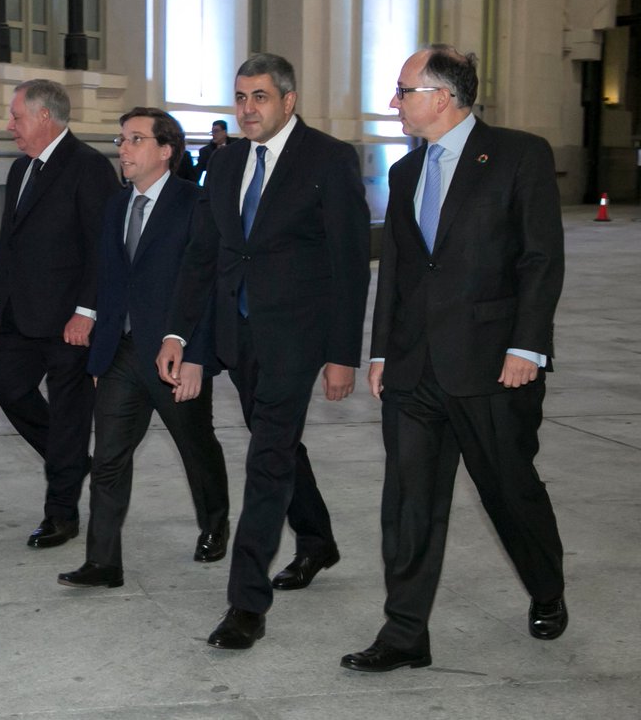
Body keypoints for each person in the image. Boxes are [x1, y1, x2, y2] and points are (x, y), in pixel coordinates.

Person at [341, 47, 567, 673]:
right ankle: (404, 633)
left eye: (402, 90)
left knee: (509, 492)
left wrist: (526, 346)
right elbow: (397, 271)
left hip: (493, 365)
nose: (394, 102)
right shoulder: (406, 172)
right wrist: (381, 351)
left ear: (441, 97)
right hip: (414, 370)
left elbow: (541, 258)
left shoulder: (519, 155)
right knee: (408, 503)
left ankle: (546, 587)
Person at [157, 53, 370, 650]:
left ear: (288, 100)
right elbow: (204, 256)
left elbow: (350, 263)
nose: (247, 109)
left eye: (260, 97)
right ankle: (318, 541)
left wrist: (342, 354)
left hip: (297, 338)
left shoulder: (328, 159)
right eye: (241, 97)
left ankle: (246, 604)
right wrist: (179, 334)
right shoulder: (224, 163)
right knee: (276, 442)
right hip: (237, 332)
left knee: (266, 458)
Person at [58, 107, 229, 589]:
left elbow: (207, 285)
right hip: (120, 352)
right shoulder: (116, 205)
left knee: (195, 446)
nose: (123, 149)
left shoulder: (195, 202)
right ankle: (103, 562)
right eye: (121, 139)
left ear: (166, 150)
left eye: (135, 139)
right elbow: (109, 278)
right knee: (109, 457)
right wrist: (99, 352)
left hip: (174, 356)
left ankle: (215, 523)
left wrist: (197, 357)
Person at [0, 79, 118, 548]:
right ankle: (71, 462)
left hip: (68, 321)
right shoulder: (20, 169)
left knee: (69, 415)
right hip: (19, 313)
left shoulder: (89, 167)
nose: (10, 125)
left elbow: (104, 248)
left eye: (16, 116)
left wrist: (87, 311)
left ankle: (61, 513)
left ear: (44, 116)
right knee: (7, 388)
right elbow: (8, 242)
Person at [197, 119, 237, 184]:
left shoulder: (236, 145)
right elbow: (197, 172)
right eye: (212, 132)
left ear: (224, 132)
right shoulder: (205, 151)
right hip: (214, 184)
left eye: (216, 131)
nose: (213, 134)